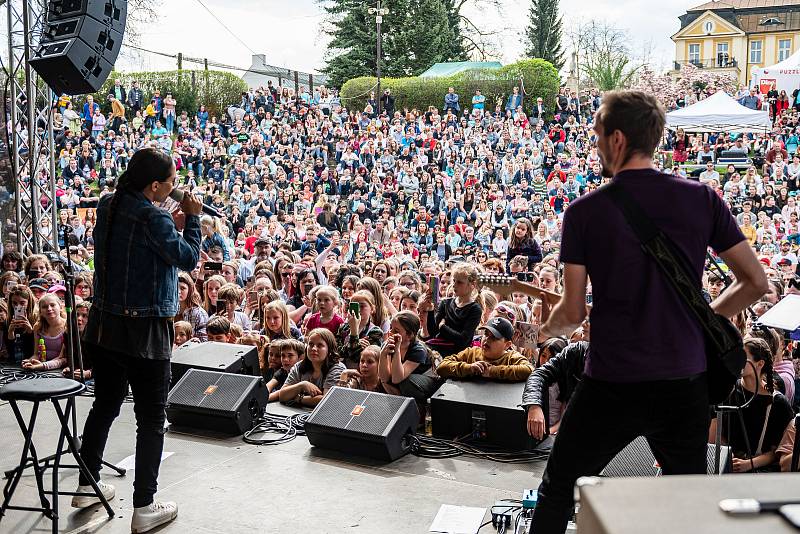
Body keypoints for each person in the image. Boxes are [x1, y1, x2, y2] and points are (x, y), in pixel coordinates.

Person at [530, 91, 768, 533]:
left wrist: (540, 331)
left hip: (612, 383)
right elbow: (756, 282)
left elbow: (574, 313)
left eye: (599, 132)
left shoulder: (585, 213)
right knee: (688, 505)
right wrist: (701, 320)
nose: (597, 141)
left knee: (559, 489)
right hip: (684, 383)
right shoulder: (702, 199)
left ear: (617, 139)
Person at [76, 148, 202, 533]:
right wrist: (191, 221)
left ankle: (87, 485)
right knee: (150, 418)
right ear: (155, 185)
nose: (175, 187)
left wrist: (170, 219)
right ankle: (144, 506)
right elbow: (188, 259)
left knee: (105, 404)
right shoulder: (153, 216)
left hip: (103, 324)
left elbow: (141, 246)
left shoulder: (109, 204)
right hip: (144, 330)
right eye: (171, 182)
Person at [435, 317, 533, 381]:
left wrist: (492, 371)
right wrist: (469, 368)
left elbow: (529, 370)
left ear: (507, 345)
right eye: (486, 334)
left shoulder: (511, 357)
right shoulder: (471, 352)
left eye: (494, 337)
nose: (487, 339)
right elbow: (441, 367)